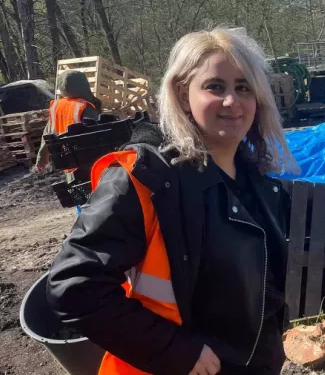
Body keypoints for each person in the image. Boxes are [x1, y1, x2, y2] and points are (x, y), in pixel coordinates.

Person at [47, 28, 297, 375]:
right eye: (215, 86)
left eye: (244, 87)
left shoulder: (260, 184)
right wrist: (175, 350)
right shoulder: (147, 179)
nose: (232, 101)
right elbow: (74, 287)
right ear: (182, 94)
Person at [35, 70, 101, 175]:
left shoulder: (57, 106)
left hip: (66, 160)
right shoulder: (85, 107)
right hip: (87, 162)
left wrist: (41, 159)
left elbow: (47, 135)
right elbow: (99, 136)